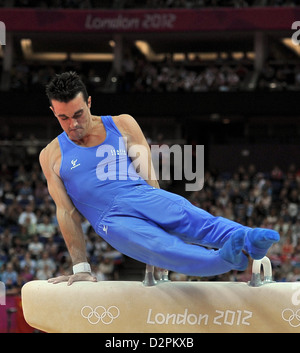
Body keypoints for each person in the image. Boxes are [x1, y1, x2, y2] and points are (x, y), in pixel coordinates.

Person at [39, 71, 279, 285]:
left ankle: (250, 239)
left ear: (89, 102)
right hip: (111, 220)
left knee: (189, 215)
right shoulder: (51, 155)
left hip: (141, 194)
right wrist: (81, 267)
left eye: (78, 114)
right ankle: (222, 260)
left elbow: (148, 177)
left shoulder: (122, 124)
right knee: (159, 246)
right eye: (64, 118)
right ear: (53, 112)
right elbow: (67, 213)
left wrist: (160, 208)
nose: (73, 124)